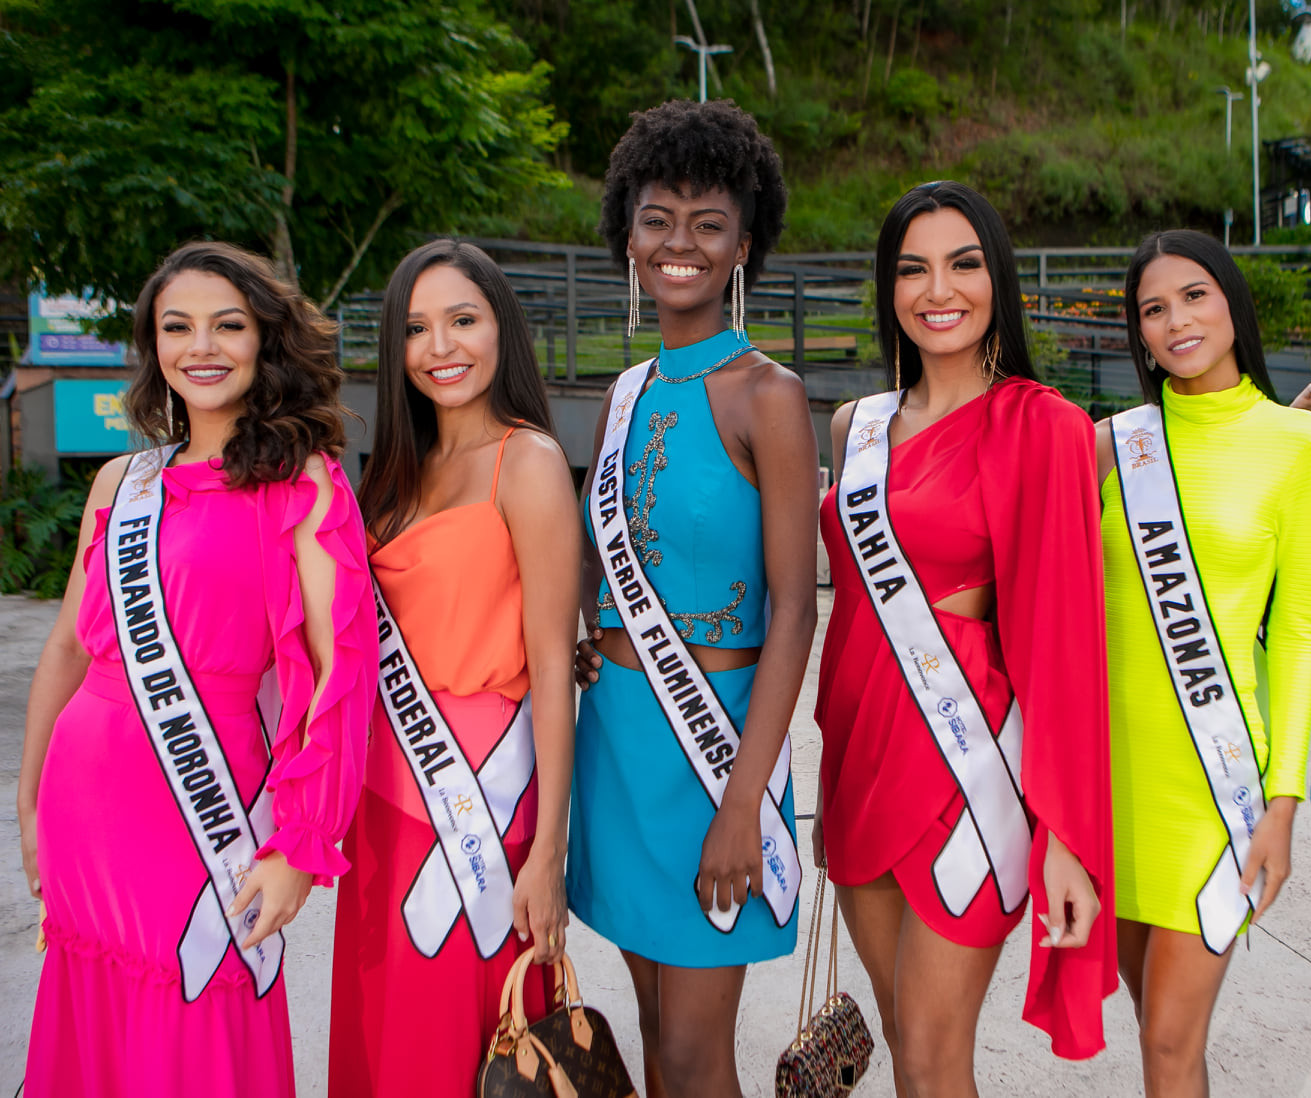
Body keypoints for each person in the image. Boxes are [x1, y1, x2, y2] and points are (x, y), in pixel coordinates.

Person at [18, 242, 376, 1097]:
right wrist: (29, 803)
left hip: (202, 811)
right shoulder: (120, 483)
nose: (200, 346)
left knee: (201, 1015)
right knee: (96, 1030)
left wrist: (301, 842)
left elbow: (342, 675)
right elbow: (70, 647)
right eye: (176, 327)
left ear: (265, 340)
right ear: (154, 348)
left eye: (228, 325)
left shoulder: (307, 486)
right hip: (84, 805)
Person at [813, 180, 1113, 1095]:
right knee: (906, 1041)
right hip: (860, 758)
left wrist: (1065, 834)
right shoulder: (853, 428)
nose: (936, 289)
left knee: (939, 1057)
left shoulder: (1045, 427)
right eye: (911, 269)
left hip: (964, 770)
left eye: (962, 264)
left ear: (998, 281)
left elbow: (1067, 644)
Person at [567, 99, 817, 1097]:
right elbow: (599, 561)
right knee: (650, 1027)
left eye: (707, 222)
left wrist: (744, 800)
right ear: (628, 235)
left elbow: (796, 607)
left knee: (692, 1051)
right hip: (617, 739)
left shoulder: (772, 396)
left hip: (718, 751)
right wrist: (588, 634)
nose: (680, 242)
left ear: (742, 244)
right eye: (657, 218)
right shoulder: (620, 395)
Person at [330, 240, 580, 1095]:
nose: (441, 346)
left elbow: (553, 667)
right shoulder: (395, 475)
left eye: (462, 320)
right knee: (382, 1038)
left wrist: (548, 853)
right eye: (416, 328)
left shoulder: (529, 462)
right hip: (382, 805)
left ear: (500, 330)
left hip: (480, 810)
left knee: (462, 1048)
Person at [1096, 230, 1311, 1098]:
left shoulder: (1300, 445)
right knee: (1158, 1028)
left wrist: (1282, 803)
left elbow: (1301, 632)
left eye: (1194, 295)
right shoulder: (1112, 445)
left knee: (1167, 1040)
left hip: (1215, 783)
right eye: (1152, 309)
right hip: (1118, 781)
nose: (1176, 321)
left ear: (1232, 302)